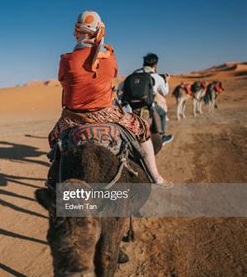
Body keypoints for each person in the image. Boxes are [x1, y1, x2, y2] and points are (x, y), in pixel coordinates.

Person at [48, 10, 171, 187]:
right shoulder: (110, 56)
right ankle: (156, 176)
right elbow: (111, 74)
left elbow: (65, 83)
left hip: (72, 118)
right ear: (99, 31)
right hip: (107, 114)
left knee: (54, 140)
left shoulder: (66, 60)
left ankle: (53, 181)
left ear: (77, 32)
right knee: (142, 128)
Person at [131, 53, 173, 145]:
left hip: (130, 106)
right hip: (146, 105)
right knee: (162, 113)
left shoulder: (134, 74)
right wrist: (166, 81)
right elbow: (164, 92)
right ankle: (162, 136)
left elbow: (121, 87)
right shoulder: (157, 77)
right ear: (155, 65)